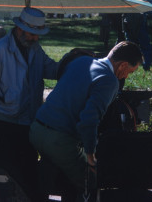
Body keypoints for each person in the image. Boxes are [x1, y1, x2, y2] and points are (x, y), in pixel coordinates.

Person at [29, 41, 143, 201]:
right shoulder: (110, 81)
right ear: (123, 65)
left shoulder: (81, 61)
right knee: (90, 181)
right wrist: (91, 157)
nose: (126, 76)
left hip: (36, 130)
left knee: (63, 169)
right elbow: (88, 121)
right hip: (58, 139)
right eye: (130, 72)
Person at [0, 7, 58, 201]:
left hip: (28, 124)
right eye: (32, 34)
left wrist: (72, 63)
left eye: (38, 35)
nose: (36, 38)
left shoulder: (34, 49)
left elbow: (51, 69)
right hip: (3, 125)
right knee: (6, 180)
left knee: (28, 178)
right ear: (20, 29)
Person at [123, 0, 152, 70]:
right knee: (139, 48)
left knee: (139, 48)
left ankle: (143, 65)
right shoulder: (139, 5)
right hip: (135, 29)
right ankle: (135, 65)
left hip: (135, 29)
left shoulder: (131, 5)